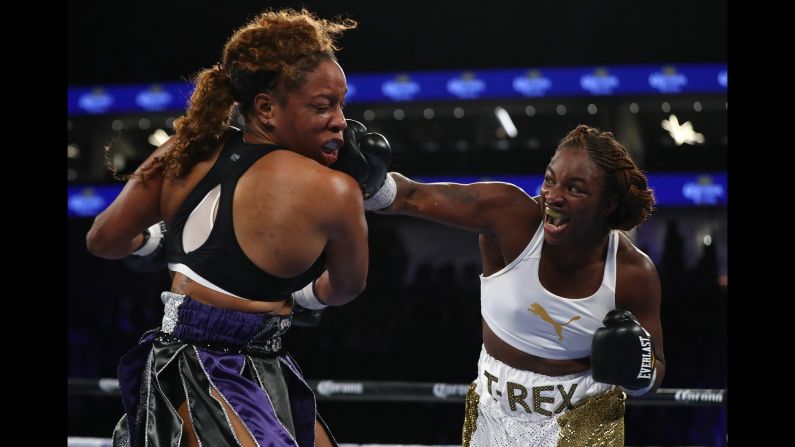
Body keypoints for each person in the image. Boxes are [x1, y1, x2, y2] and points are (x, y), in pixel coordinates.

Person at [85, 9, 378, 447]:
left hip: (214, 361)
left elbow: (104, 240)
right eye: (322, 106)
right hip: (206, 372)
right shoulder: (334, 190)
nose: (340, 120)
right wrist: (303, 296)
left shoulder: (182, 151)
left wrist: (154, 242)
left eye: (340, 104)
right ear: (265, 108)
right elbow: (348, 286)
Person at [343, 123, 665, 446]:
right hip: (494, 413)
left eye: (575, 188)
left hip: (584, 422)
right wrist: (371, 183)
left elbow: (655, 370)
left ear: (607, 204)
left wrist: (638, 371)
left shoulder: (633, 273)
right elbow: (414, 196)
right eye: (550, 180)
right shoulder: (510, 218)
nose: (553, 196)